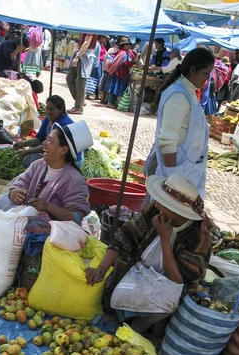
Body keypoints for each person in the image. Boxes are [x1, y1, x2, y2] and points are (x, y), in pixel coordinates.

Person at [86, 173, 212, 335]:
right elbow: (126, 236)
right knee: (113, 287)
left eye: (164, 204)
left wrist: (165, 240)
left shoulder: (198, 236)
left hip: (170, 284)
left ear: (179, 212)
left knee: (167, 302)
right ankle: (125, 315)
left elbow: (177, 278)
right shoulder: (155, 210)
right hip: (139, 268)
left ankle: (140, 325)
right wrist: (102, 268)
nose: (158, 206)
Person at [145, 47, 215, 199]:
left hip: (184, 170)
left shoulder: (187, 91)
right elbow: (167, 141)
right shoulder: (179, 96)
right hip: (174, 171)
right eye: (205, 73)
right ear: (192, 70)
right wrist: (172, 177)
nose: (207, 78)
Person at [0, 121, 93, 225]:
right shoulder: (38, 165)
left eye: (50, 140)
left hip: (49, 236)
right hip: (24, 224)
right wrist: (14, 193)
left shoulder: (74, 180)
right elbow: (20, 184)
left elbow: (77, 217)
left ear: (63, 150)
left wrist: (48, 207)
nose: (43, 143)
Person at [14, 95, 76, 166]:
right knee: (33, 147)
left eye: (52, 109)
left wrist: (27, 152)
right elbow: (39, 139)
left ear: (61, 110)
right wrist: (23, 143)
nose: (48, 112)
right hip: (51, 148)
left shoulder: (62, 124)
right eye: (47, 108)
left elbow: (52, 147)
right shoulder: (48, 118)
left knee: (36, 154)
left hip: (64, 155)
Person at [66, 33, 97, 114]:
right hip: (81, 53)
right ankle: (80, 101)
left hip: (84, 55)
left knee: (81, 82)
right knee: (70, 78)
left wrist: (77, 57)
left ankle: (78, 107)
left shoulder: (90, 28)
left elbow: (86, 43)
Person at [106, 36, 138, 109]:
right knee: (117, 88)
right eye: (127, 44)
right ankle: (111, 102)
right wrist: (133, 62)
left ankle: (111, 102)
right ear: (124, 45)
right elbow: (125, 64)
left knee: (113, 88)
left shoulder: (123, 52)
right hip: (120, 74)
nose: (129, 46)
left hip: (118, 73)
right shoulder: (123, 53)